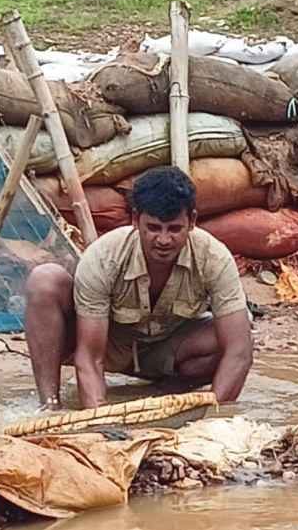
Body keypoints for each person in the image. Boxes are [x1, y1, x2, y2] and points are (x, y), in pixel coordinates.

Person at [23, 165, 253, 410]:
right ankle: (49, 405)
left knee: (240, 330)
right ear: (135, 220)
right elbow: (90, 358)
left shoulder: (214, 258)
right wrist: (101, 420)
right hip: (107, 343)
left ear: (192, 221)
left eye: (174, 229)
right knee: (44, 280)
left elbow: (238, 351)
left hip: (168, 349)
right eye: (153, 228)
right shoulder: (104, 257)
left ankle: (159, 396)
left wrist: (212, 421)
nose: (164, 240)